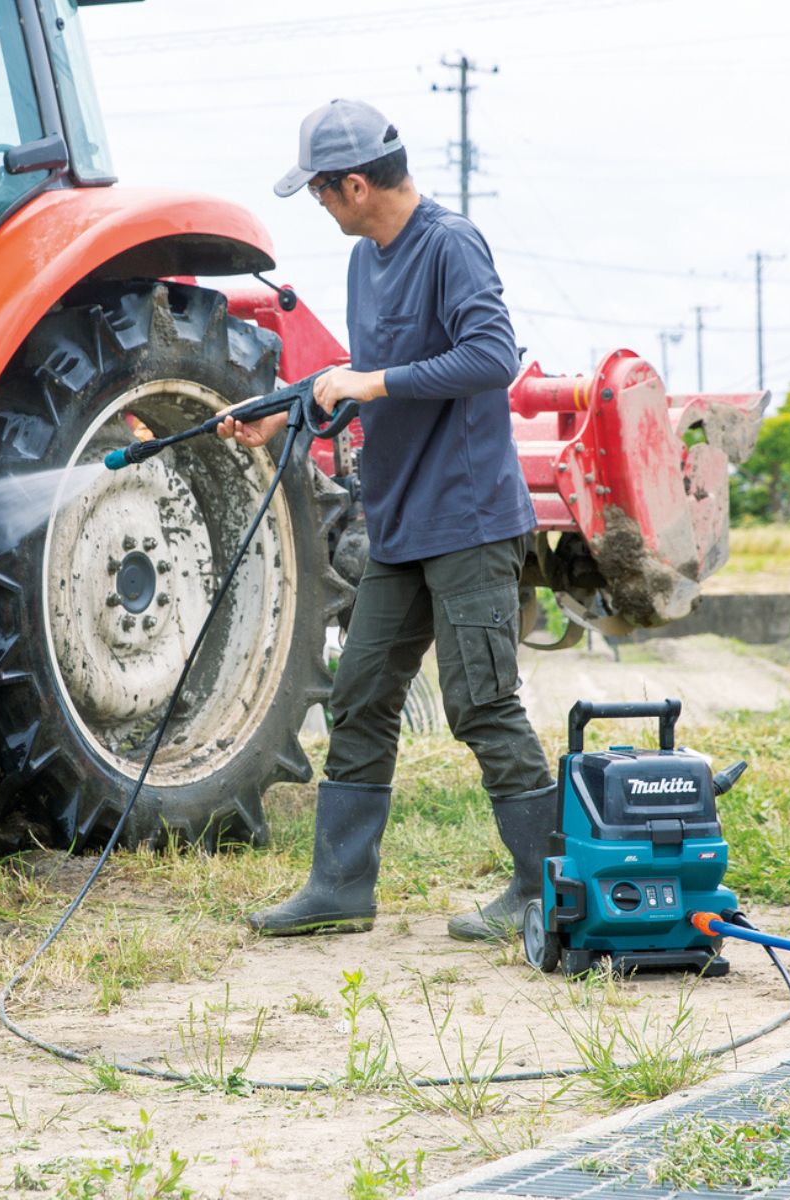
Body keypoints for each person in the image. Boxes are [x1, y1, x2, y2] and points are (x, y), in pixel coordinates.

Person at [219, 98, 555, 943]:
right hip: (400, 525)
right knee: (361, 695)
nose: (321, 207)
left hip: (470, 521)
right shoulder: (367, 261)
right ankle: (339, 888)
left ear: (356, 184)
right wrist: (285, 409)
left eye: (322, 193)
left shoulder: (450, 244)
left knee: (482, 704)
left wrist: (369, 383)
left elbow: (492, 357)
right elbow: (359, 375)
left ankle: (543, 888)